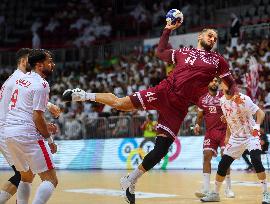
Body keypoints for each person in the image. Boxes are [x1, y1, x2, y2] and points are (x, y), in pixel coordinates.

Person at [62, 18, 239, 204]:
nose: (213, 39)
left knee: (161, 150)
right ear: (200, 36)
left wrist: (233, 98)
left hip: (178, 109)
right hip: (163, 92)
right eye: (210, 35)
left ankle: (130, 180)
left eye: (215, 37)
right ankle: (83, 95)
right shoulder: (184, 52)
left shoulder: (218, 61)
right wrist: (167, 30)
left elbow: (231, 84)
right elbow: (160, 52)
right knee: (121, 104)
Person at [0, 48, 60, 203]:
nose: (52, 64)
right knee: (50, 179)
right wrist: (49, 139)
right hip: (25, 133)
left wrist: (45, 122)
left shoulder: (19, 79)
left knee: (25, 176)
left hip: (9, 133)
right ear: (39, 65)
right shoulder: (41, 83)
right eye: (49, 61)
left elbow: (23, 108)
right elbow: (36, 116)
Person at [200, 81, 270, 203]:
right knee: (223, 165)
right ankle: (215, 194)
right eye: (225, 83)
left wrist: (257, 127)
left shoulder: (243, 98)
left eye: (229, 83)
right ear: (222, 87)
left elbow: (261, 113)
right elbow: (228, 119)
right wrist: (227, 137)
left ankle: (266, 194)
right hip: (236, 138)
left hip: (250, 135)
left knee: (256, 160)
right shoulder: (222, 101)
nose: (227, 84)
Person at [194, 77, 234, 198]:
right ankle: (206, 189)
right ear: (208, 83)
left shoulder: (223, 96)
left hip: (224, 132)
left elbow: (231, 110)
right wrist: (197, 125)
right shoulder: (202, 99)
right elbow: (200, 116)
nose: (214, 83)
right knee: (206, 156)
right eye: (212, 81)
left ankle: (228, 189)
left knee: (225, 158)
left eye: (216, 81)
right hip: (210, 133)